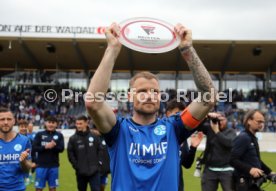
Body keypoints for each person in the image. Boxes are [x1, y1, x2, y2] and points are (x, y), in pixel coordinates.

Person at [85, 22, 216, 191]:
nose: (149, 95)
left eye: (155, 91)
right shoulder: (118, 131)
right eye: (142, 91)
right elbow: (93, 103)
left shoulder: (174, 128)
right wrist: (113, 49)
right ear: (130, 96)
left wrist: (187, 50)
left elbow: (209, 97)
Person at [230, 110, 275, 191]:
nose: (261, 124)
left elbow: (257, 160)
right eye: (259, 121)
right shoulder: (243, 137)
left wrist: (269, 173)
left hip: (252, 183)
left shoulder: (252, 138)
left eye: (263, 122)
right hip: (243, 183)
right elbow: (232, 159)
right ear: (249, 121)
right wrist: (250, 169)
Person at [165, 98, 203, 191]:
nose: (180, 118)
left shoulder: (179, 134)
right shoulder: (158, 133)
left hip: (177, 187)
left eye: (182, 114)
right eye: (176, 113)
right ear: (167, 114)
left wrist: (193, 148)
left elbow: (186, 164)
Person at [199, 112, 236, 191]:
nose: (220, 122)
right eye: (218, 120)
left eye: (222, 120)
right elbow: (198, 126)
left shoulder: (231, 132)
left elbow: (229, 143)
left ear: (226, 120)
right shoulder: (210, 128)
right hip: (210, 169)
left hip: (227, 169)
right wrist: (205, 116)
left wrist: (217, 132)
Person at [0, 107, 32, 191]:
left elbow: (28, 167)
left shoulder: (24, 141)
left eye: (9, 119)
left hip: (17, 188)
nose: (6, 122)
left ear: (14, 121)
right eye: (2, 119)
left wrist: (24, 162)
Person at [67, 115, 102, 191]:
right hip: (81, 172)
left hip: (95, 171)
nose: (78, 126)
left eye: (80, 123)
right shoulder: (73, 139)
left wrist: (99, 163)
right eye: (77, 124)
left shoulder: (94, 136)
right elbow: (70, 154)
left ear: (86, 123)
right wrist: (77, 166)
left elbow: (100, 150)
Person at [33, 116, 64, 191]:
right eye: (49, 122)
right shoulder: (39, 134)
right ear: (45, 123)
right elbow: (34, 148)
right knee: (39, 188)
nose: (51, 124)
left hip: (53, 166)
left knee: (52, 188)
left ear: (56, 124)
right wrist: (45, 147)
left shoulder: (59, 135)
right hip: (41, 166)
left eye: (53, 123)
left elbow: (61, 149)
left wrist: (53, 146)